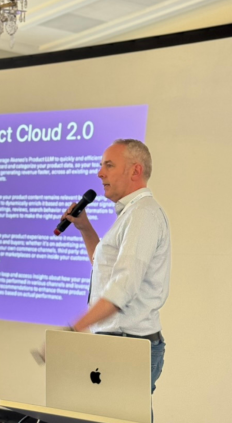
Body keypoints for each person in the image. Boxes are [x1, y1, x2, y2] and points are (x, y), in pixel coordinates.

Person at [65, 139, 170, 396]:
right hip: (119, 341)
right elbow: (105, 270)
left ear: (135, 170)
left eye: (109, 165)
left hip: (129, 344)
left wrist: (73, 330)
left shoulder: (143, 214)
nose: (100, 173)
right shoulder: (131, 214)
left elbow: (122, 286)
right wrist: (85, 228)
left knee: (122, 420)